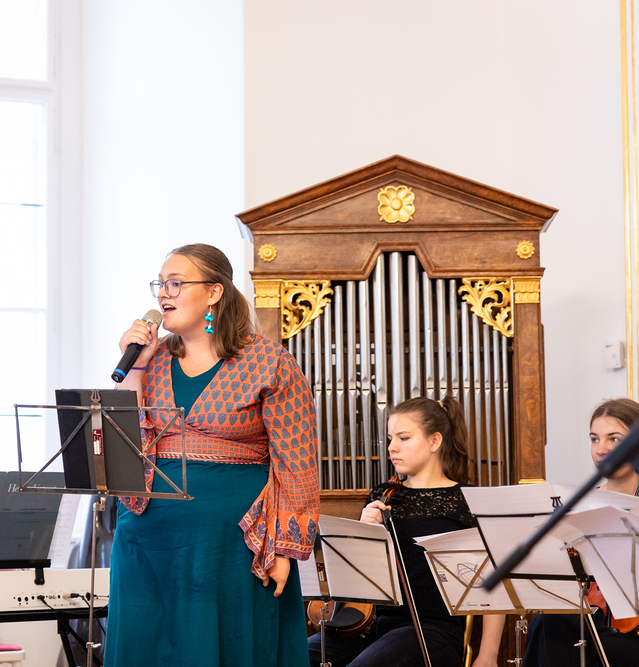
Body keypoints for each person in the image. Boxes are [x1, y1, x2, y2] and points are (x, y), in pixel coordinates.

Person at [106, 243, 320, 667]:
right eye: (159, 284)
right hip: (147, 537)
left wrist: (281, 549)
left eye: (175, 283)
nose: (162, 293)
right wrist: (135, 367)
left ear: (214, 292)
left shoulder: (269, 360)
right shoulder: (151, 359)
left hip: (231, 543)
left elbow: (296, 462)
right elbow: (122, 446)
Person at [307, 396, 505, 667]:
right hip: (364, 625)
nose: (392, 447)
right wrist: (361, 533)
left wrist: (488, 655)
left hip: (431, 630)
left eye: (403, 438)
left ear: (434, 441)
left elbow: (494, 580)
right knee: (292, 658)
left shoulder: (468, 500)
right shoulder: (382, 495)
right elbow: (354, 578)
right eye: (390, 439)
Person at [523, 397, 639, 667]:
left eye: (614, 439)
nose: (601, 449)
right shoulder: (580, 503)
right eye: (595, 439)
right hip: (590, 618)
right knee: (546, 623)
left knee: (595, 646)